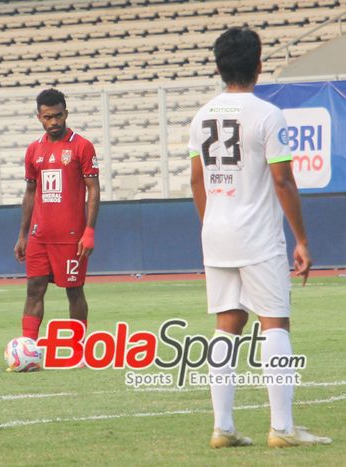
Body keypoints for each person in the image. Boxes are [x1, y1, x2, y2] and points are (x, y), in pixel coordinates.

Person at [189, 27, 332, 449]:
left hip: (215, 232)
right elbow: (283, 180)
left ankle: (223, 427)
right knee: (275, 323)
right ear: (259, 65)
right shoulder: (267, 115)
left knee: (227, 324)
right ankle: (283, 428)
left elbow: (197, 179)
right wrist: (302, 239)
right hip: (257, 235)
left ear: (218, 68)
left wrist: (210, 221)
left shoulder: (202, 115)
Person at [14, 89, 100, 343]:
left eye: (58, 116)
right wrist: (23, 235)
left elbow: (93, 189)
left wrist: (89, 231)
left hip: (71, 237)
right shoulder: (33, 150)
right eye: (48, 117)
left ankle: (78, 347)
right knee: (34, 290)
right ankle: (28, 348)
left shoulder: (82, 146)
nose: (54, 122)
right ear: (39, 117)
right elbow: (30, 193)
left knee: (74, 291)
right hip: (40, 237)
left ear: (66, 113)